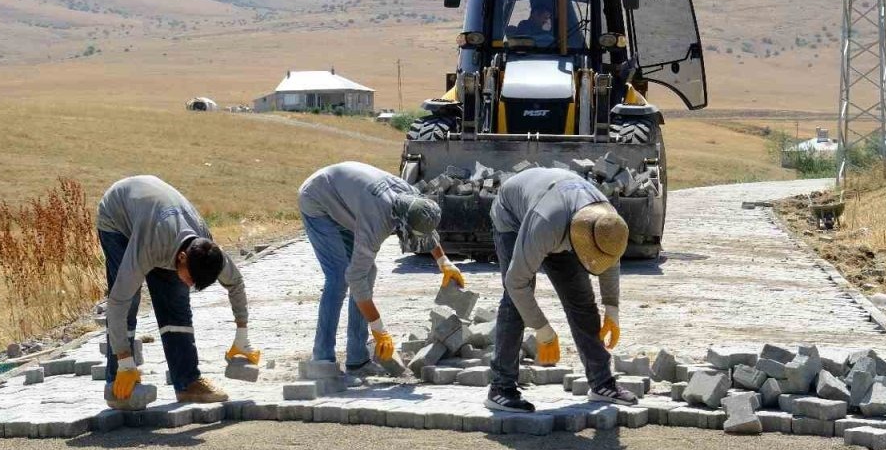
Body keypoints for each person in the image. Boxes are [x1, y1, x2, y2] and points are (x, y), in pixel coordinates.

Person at [97, 175, 259, 408]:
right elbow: (117, 303)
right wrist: (125, 361)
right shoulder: (149, 246)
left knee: (176, 304)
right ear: (182, 258)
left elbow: (235, 283)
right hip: (117, 218)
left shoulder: (206, 248)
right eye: (191, 279)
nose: (191, 285)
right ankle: (117, 384)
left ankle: (188, 383)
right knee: (129, 300)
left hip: (157, 217)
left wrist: (242, 335)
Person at [484, 167, 636, 412]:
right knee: (516, 300)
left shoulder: (606, 221)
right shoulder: (545, 225)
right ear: (579, 240)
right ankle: (500, 388)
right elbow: (516, 282)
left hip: (559, 210)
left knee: (582, 300)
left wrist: (611, 306)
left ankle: (601, 384)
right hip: (513, 216)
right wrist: (542, 329)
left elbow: (610, 256)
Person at [298, 162, 464, 376]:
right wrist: (379, 329)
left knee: (368, 272)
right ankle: (322, 360)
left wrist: (444, 262)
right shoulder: (377, 222)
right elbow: (355, 277)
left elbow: (425, 228)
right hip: (318, 200)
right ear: (402, 225)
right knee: (340, 277)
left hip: (347, 200)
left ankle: (357, 359)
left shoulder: (411, 198)